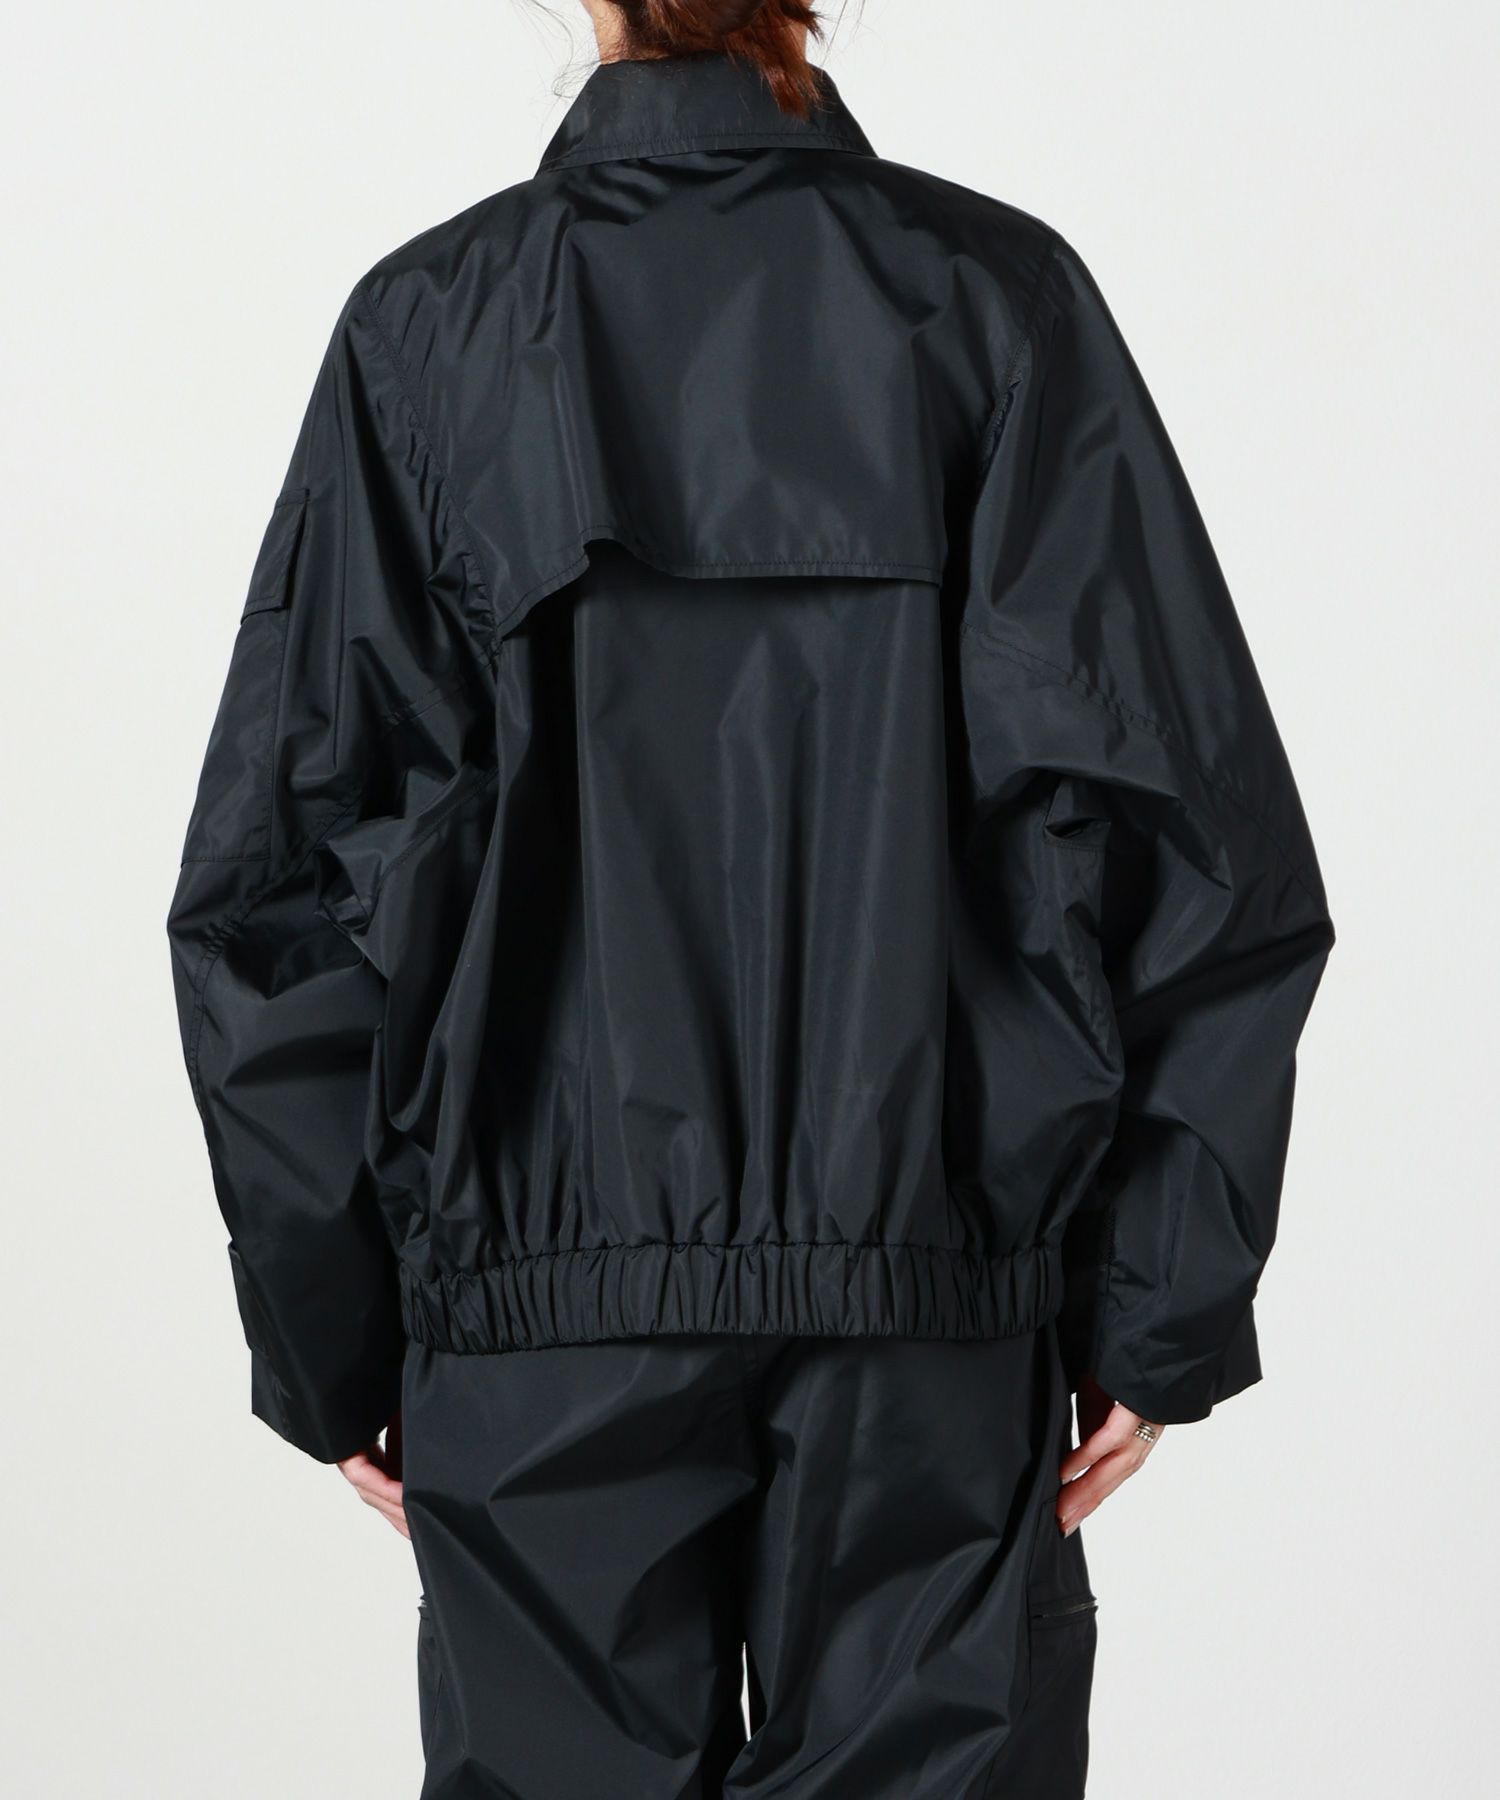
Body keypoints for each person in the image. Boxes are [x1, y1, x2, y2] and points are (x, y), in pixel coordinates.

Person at [166, 2, 1334, 1793]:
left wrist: (330, 1339)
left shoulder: (431, 329)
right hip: (929, 1308)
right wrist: (1156, 1302)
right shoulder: (994, 302)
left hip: (542, 1328)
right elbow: (1194, 828)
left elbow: (285, 885)